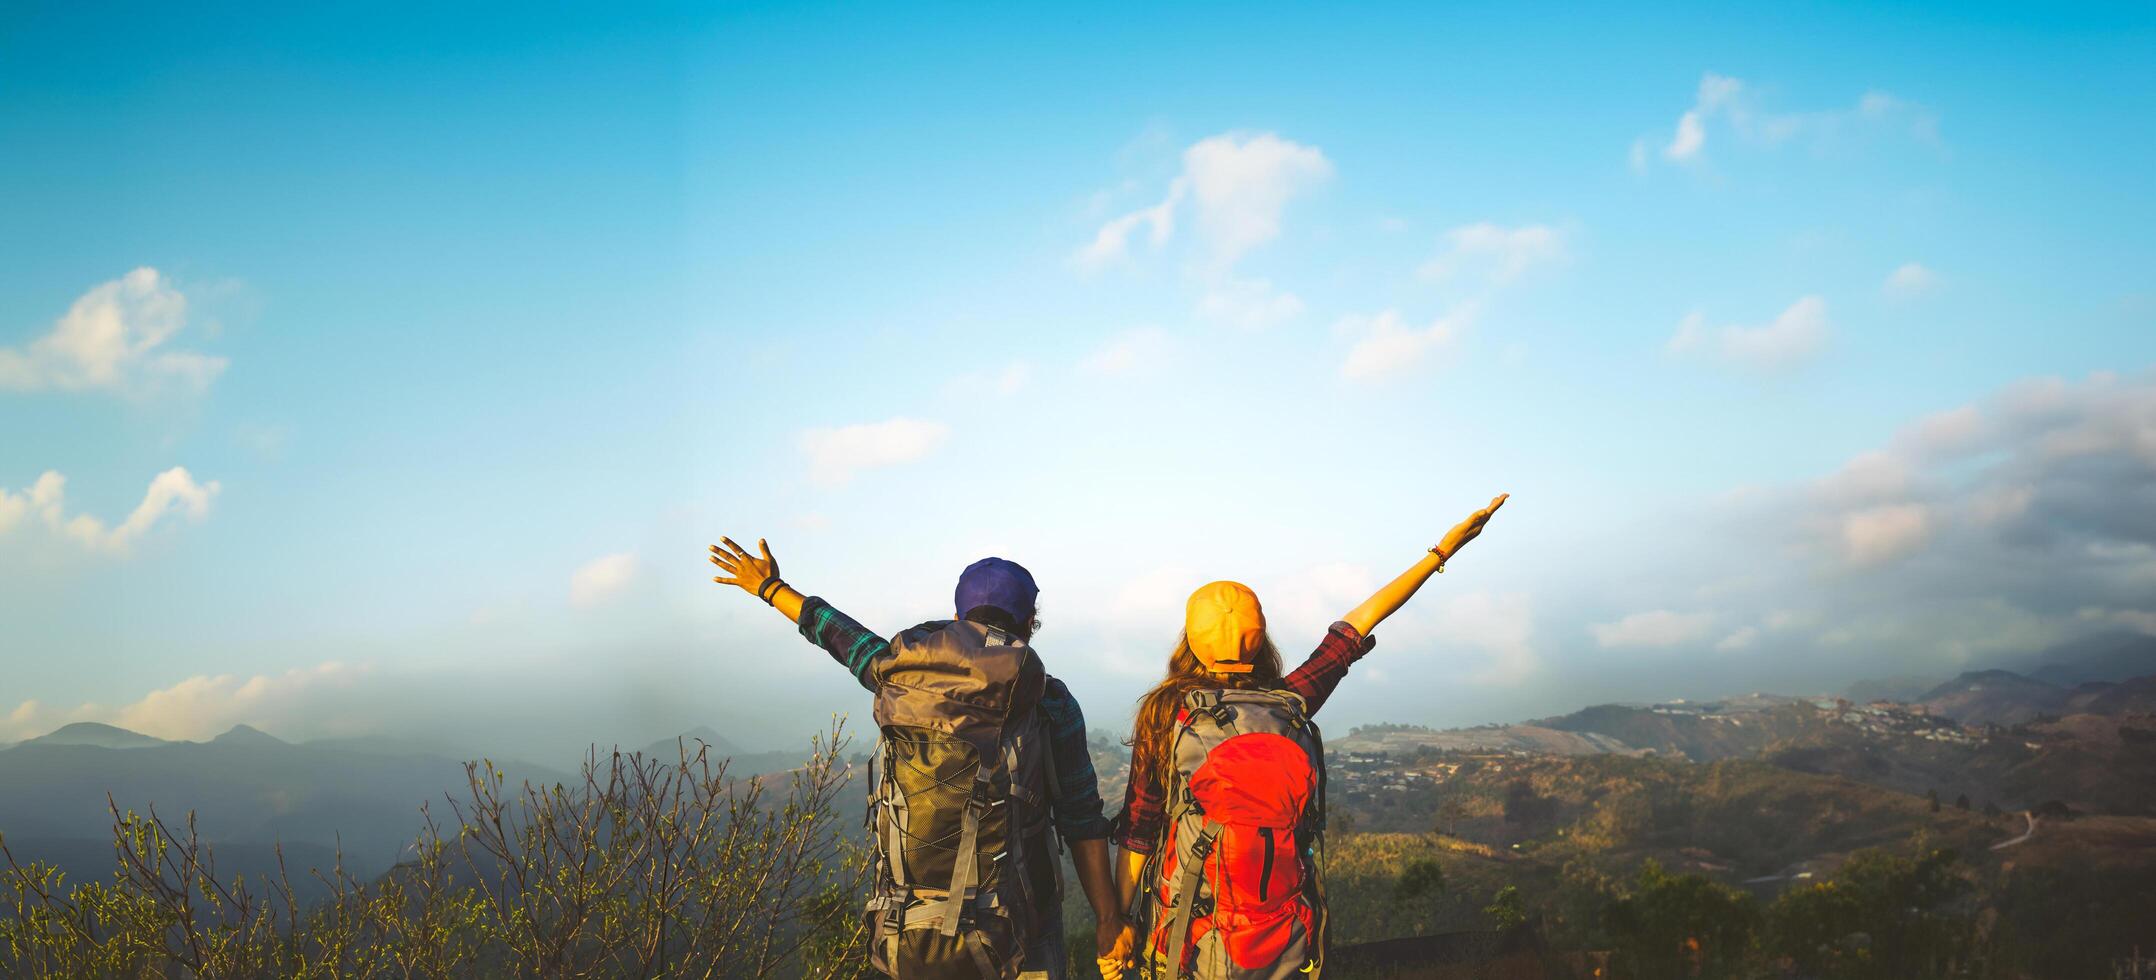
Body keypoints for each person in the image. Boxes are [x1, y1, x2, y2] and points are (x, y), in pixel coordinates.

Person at [1098, 494, 1509, 978]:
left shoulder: (1166, 714)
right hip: (1285, 948)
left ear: (1189, 641)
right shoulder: (1288, 706)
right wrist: (1440, 554)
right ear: (1263, 637)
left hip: (1192, 942)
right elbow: (1355, 628)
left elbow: (1140, 832)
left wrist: (1117, 923)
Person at [708, 537, 1123, 980]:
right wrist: (1108, 919)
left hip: (912, 924)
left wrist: (771, 588)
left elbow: (842, 637)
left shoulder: (901, 675)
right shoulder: (1049, 700)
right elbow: (1082, 819)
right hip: (1024, 928)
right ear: (1028, 622)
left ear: (960, 618)